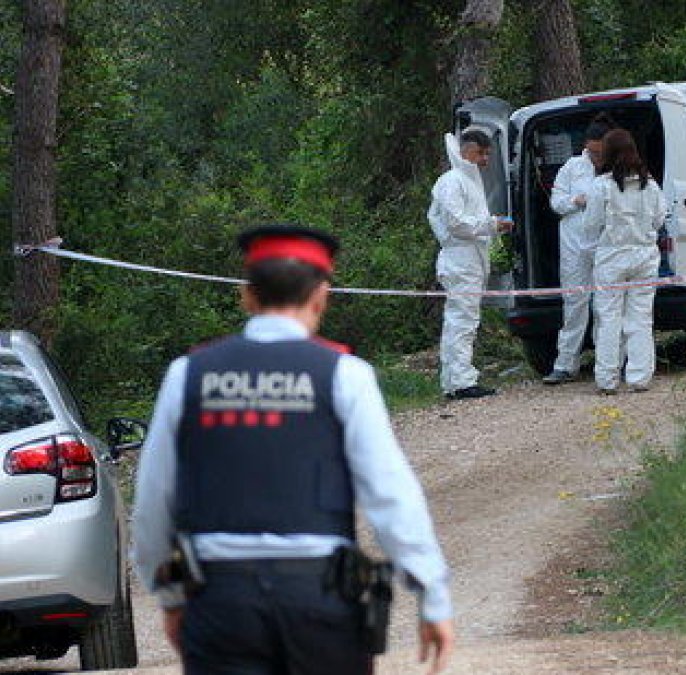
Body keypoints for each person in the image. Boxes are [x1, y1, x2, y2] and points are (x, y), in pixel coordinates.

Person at [131, 224, 455, 675]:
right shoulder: (345, 374)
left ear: (247, 296)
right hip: (320, 603)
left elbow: (152, 503)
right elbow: (389, 494)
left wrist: (168, 596)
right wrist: (432, 596)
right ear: (322, 295)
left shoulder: (188, 374)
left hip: (221, 604)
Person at [428, 128, 514, 400]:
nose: (485, 159)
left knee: (460, 320)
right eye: (482, 153)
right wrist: (491, 225)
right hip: (460, 260)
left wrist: (493, 227)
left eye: (488, 153)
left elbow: (467, 222)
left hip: (469, 259)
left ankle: (454, 380)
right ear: (466, 151)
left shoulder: (468, 181)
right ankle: (462, 381)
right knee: (462, 321)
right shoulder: (452, 181)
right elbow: (456, 223)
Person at [582, 129, 666, 394]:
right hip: (644, 256)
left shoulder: (602, 186)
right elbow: (660, 219)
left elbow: (590, 225)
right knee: (641, 317)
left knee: (609, 318)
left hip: (612, 258)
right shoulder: (650, 185)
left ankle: (607, 379)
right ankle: (639, 377)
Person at [541, 113, 613, 385]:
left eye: (601, 152)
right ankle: (565, 363)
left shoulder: (617, 169)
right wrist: (577, 200)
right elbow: (556, 202)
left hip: (605, 244)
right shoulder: (572, 167)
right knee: (574, 302)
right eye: (592, 151)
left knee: (606, 304)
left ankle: (607, 363)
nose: (596, 157)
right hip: (573, 245)